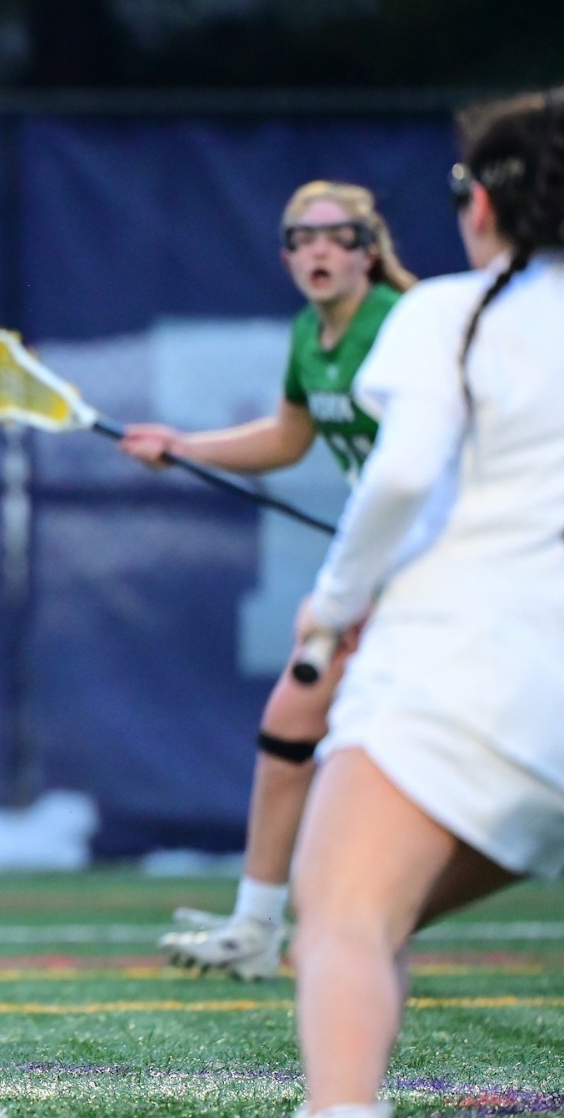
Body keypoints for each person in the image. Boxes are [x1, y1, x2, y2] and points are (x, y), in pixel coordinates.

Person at [288, 89, 564, 1118]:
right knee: (371, 917)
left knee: (341, 919)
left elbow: (398, 480)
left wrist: (330, 604)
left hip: (461, 676)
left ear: (485, 204)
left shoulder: (451, 310)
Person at [116, 181, 420, 979]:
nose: (319, 250)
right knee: (295, 721)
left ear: (367, 248)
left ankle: (304, 918)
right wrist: (184, 445)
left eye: (337, 236)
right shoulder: (309, 335)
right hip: (381, 561)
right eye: (303, 238)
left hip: (434, 567)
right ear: (287, 255)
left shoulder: (402, 327)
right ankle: (259, 923)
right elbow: (289, 438)